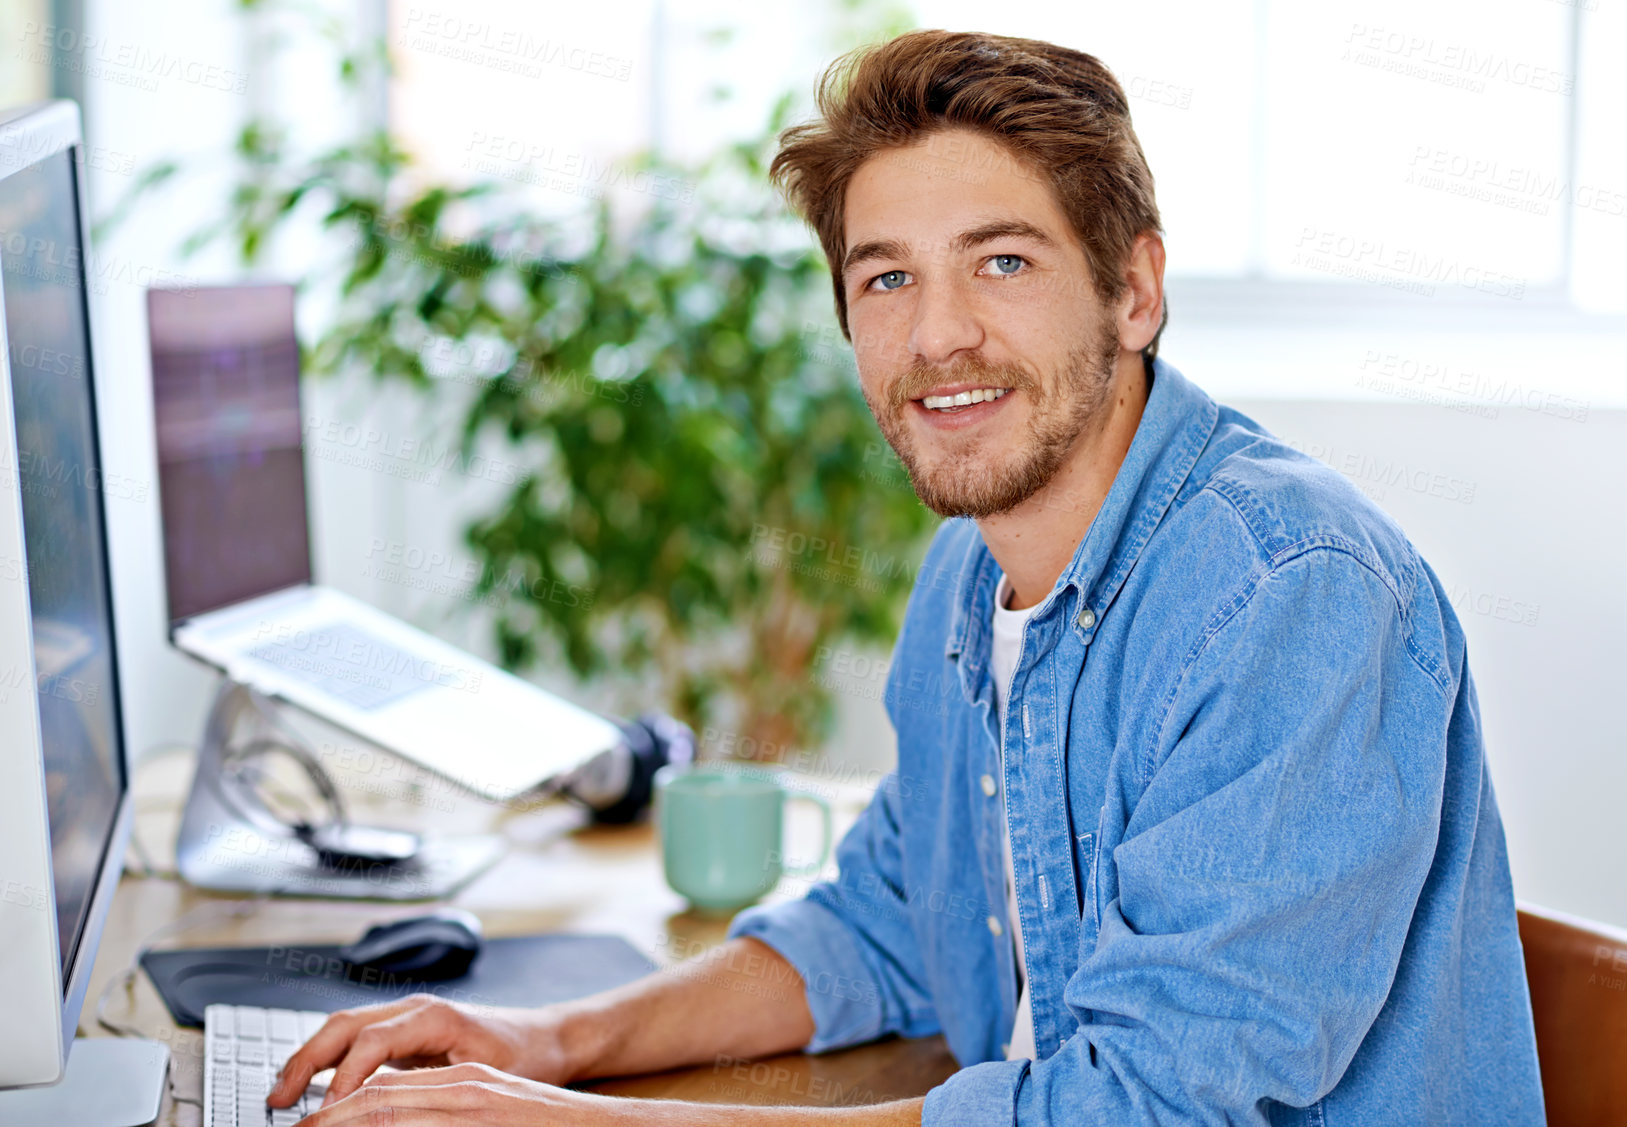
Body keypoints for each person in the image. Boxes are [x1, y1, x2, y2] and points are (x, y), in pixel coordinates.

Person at [270, 28, 1547, 1126]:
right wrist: (544, 1046)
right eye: (886, 277)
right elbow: (883, 924)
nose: (936, 336)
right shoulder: (966, 570)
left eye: (1001, 260)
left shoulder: (1290, 596)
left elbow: (1147, 1103)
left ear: (1134, 289)